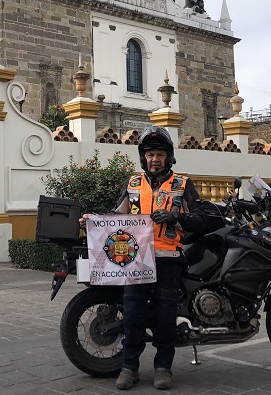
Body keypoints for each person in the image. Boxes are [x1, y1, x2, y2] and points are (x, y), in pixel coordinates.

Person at [80, 126, 206, 391]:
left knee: (165, 315)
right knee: (133, 314)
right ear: (143, 157)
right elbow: (117, 216)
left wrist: (176, 218)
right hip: (135, 261)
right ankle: (129, 368)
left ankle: (163, 368)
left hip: (168, 259)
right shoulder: (133, 184)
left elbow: (201, 219)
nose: (155, 159)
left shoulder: (182, 185)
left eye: (160, 154)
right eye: (150, 154)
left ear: (169, 156)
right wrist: (94, 221)